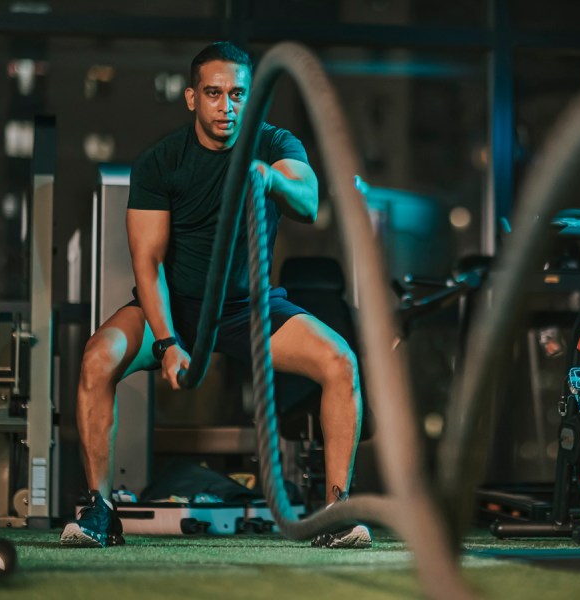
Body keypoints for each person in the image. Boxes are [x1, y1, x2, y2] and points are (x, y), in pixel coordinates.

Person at [60, 41, 369, 549]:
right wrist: (165, 343)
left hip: (249, 309)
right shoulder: (162, 162)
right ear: (192, 98)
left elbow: (309, 201)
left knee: (341, 362)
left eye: (238, 95)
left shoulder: (273, 144)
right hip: (174, 308)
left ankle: (335, 513)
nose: (227, 106)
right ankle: (99, 510)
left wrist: (267, 178)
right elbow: (148, 263)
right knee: (98, 359)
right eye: (214, 93)